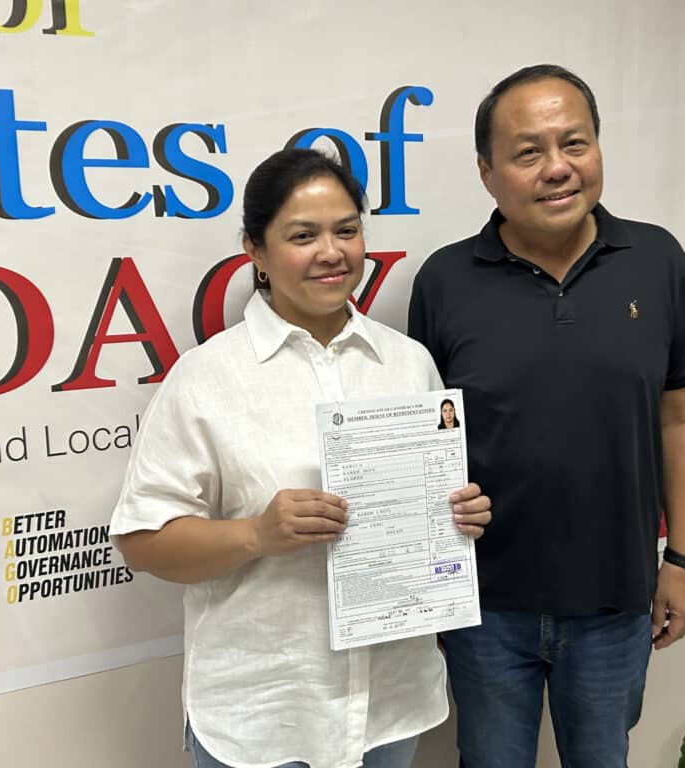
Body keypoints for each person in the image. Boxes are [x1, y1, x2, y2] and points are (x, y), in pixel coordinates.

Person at [110, 148, 492, 768]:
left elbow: (429, 514)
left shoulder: (407, 362)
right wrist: (256, 534)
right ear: (255, 251)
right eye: (302, 235)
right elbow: (142, 541)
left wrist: (456, 515)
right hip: (265, 715)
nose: (332, 252)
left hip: (391, 705)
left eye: (347, 230)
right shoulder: (208, 378)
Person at [408, 65, 685, 768]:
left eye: (574, 143)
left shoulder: (657, 259)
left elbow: (683, 418)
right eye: (528, 152)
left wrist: (683, 562)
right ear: (487, 173)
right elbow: (425, 445)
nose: (558, 169)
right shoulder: (445, 281)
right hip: (485, 609)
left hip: (617, 602)